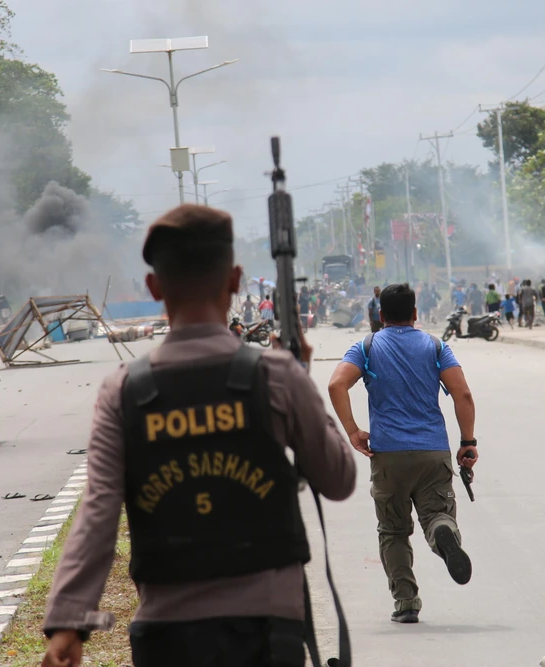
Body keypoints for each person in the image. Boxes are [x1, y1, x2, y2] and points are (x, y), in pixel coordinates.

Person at [41, 204, 356, 667]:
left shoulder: (125, 391)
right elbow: (339, 478)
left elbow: (99, 509)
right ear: (235, 279)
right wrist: (300, 377)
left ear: (153, 287)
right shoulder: (276, 376)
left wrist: (69, 621)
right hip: (268, 630)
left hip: (168, 635)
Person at [328, 283, 477, 624]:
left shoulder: (366, 346)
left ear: (380, 315)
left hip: (388, 455)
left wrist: (353, 430)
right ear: (415, 313)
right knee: (438, 514)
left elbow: (336, 384)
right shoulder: (436, 346)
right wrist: (468, 442)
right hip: (432, 451)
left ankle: (406, 602)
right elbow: (463, 394)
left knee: (393, 531)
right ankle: (443, 533)